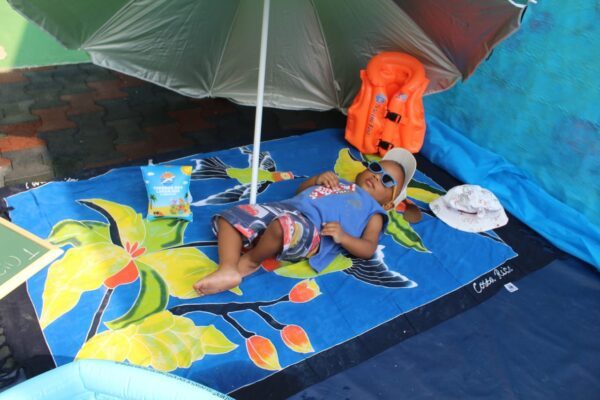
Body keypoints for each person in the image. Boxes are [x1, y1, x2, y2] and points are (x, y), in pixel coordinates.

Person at [193, 148, 417, 296]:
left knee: (283, 226)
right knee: (231, 217)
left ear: (389, 204)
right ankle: (227, 268)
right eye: (376, 168)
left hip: (314, 232)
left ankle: (251, 260)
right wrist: (316, 180)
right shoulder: (339, 181)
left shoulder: (374, 212)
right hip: (286, 208)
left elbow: (368, 249)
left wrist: (344, 238)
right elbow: (301, 192)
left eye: (387, 180)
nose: (377, 176)